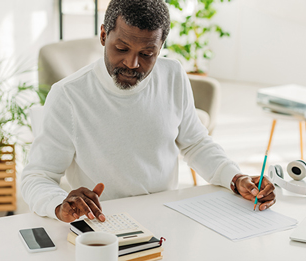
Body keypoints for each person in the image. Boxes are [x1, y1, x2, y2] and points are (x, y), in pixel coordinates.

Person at [21, 0, 275, 223]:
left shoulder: (173, 74)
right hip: (104, 221)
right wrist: (58, 203)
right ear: (103, 36)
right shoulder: (69, 95)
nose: (132, 64)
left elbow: (195, 143)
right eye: (121, 49)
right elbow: (38, 176)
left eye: (147, 54)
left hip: (167, 214)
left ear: (160, 47)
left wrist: (236, 178)